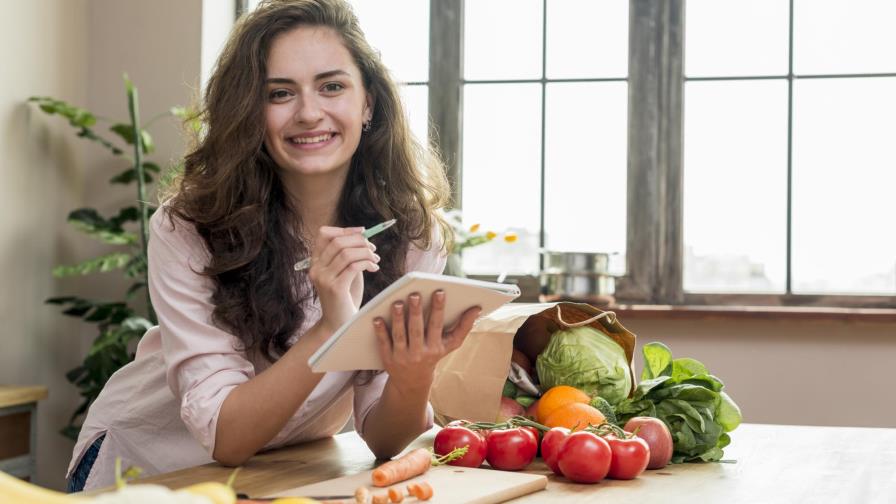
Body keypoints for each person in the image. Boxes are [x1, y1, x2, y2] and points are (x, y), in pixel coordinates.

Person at [66, 0, 481, 491]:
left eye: (332, 86)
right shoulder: (188, 227)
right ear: (250, 112)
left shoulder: (411, 235)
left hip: (276, 477)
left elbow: (389, 442)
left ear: (367, 102)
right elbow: (225, 437)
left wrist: (413, 376)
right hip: (150, 472)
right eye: (280, 93)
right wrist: (332, 326)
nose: (309, 113)